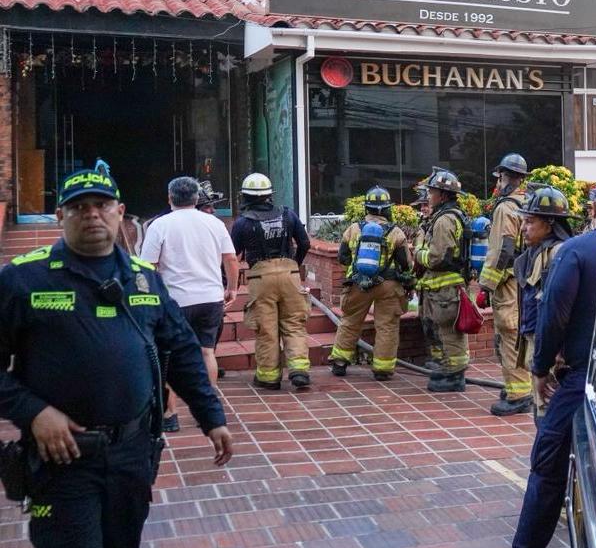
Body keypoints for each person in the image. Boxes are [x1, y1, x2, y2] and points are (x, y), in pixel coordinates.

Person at [0, 166, 232, 548]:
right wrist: (33, 413)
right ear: (59, 216)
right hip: (64, 459)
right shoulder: (23, 280)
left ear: (120, 212)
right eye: (79, 207)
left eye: (102, 205)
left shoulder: (144, 278)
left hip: (132, 454)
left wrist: (211, 417)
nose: (92, 214)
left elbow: (182, 350)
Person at [488, 177, 596, 548]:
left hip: (581, 379)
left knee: (548, 468)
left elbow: (553, 315)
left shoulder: (578, 251)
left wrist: (538, 369)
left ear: (594, 207)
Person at [140, 177, 239, 432]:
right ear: (197, 199)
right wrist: (232, 289)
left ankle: (170, 415)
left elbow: (147, 266)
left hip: (175, 301)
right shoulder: (214, 224)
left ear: (169, 198)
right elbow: (231, 259)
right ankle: (208, 411)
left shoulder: (159, 225)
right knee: (207, 352)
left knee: (169, 356)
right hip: (210, 298)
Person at [229, 173, 312, 391]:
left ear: (245, 197)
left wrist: (228, 283)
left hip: (260, 277)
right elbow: (304, 243)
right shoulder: (288, 214)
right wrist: (294, 265)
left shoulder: (242, 223)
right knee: (294, 323)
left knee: (266, 329)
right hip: (289, 274)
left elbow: (232, 254)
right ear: (269, 195)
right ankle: (299, 370)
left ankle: (268, 377)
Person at [328, 186, 414, 381]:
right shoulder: (396, 233)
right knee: (387, 326)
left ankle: (340, 362)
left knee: (350, 321)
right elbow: (405, 264)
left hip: (358, 284)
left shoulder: (354, 229)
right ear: (386, 209)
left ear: (366, 208)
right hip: (388, 286)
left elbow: (342, 257)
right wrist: (408, 284)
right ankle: (382, 369)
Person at [512, 186, 573, 418]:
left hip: (551, 351)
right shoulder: (535, 253)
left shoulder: (559, 253)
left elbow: (559, 310)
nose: (523, 228)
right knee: (540, 410)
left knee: (547, 412)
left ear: (549, 224)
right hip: (536, 344)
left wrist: (554, 356)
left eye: (529, 222)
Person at [478, 153, 531, 415]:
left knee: (509, 334)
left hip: (509, 282)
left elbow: (502, 249)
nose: (497, 184)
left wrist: (486, 285)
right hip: (527, 281)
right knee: (521, 332)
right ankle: (522, 384)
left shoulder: (505, 208)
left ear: (504, 177)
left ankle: (518, 393)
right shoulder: (526, 203)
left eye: (499, 178)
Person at [414, 168, 471, 393]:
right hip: (446, 288)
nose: (429, 195)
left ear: (443, 195)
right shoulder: (449, 216)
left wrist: (418, 254)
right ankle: (452, 371)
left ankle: (454, 377)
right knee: (449, 332)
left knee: (450, 333)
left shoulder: (444, 221)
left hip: (446, 289)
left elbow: (438, 257)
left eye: (432, 191)